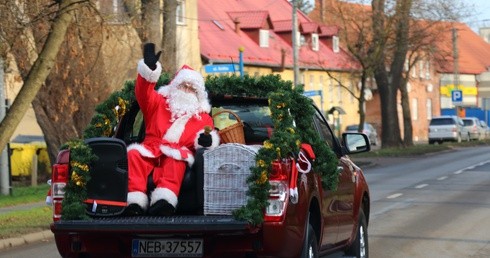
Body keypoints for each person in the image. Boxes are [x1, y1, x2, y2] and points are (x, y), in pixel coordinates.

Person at [124, 43, 219, 216]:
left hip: (177, 153)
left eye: (192, 89)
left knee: (176, 161)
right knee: (134, 155)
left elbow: (205, 136)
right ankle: (135, 203)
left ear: (198, 95)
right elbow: (143, 93)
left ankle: (164, 202)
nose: (187, 91)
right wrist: (149, 70)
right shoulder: (158, 103)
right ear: (175, 87)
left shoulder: (203, 117)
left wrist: (206, 140)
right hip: (151, 149)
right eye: (184, 86)